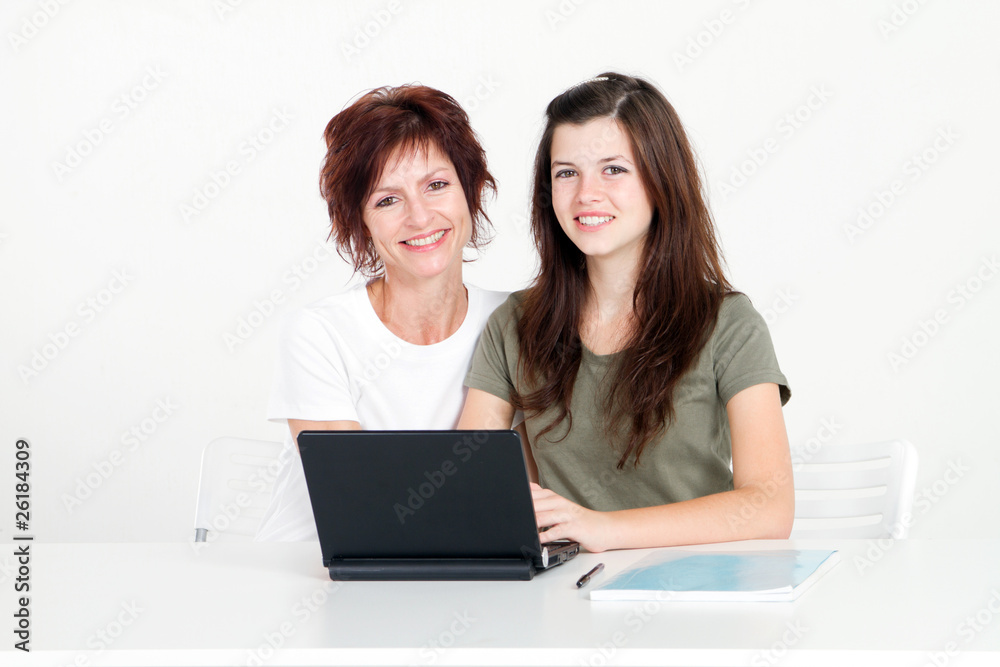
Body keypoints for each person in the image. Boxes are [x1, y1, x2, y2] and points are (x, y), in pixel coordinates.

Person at [458, 73, 794, 553]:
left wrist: (600, 528)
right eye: (566, 172)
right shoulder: (514, 323)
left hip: (700, 587)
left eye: (613, 169)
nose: (586, 194)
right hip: (566, 595)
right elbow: (467, 479)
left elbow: (770, 506)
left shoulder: (728, 323)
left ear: (661, 180)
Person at [256, 84, 509, 541]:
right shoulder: (320, 333)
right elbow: (359, 504)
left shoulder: (514, 320)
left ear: (470, 191)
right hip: (313, 573)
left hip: (449, 569)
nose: (420, 216)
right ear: (360, 221)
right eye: (387, 200)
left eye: (437, 185)